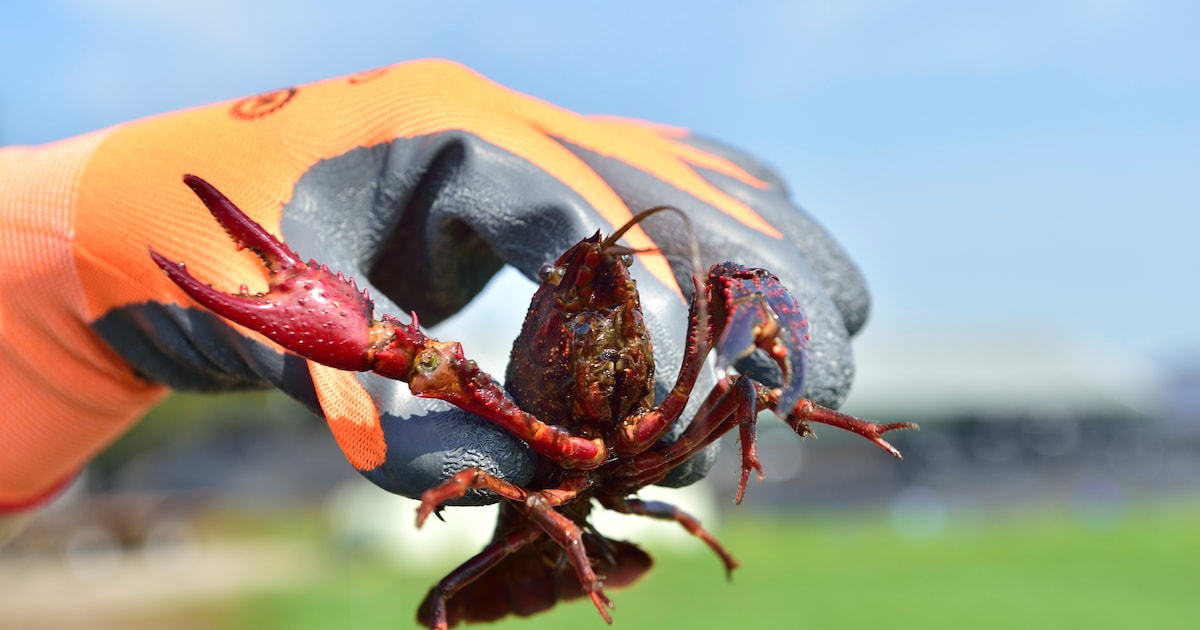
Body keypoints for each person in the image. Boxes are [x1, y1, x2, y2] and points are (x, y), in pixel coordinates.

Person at [0, 59, 870, 540]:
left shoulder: (662, 354)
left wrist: (776, 391)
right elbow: (424, 363)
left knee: (752, 341)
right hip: (540, 482)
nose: (600, 292)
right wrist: (44, 238)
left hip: (606, 469)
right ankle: (532, 551)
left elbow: (738, 347)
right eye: (578, 288)